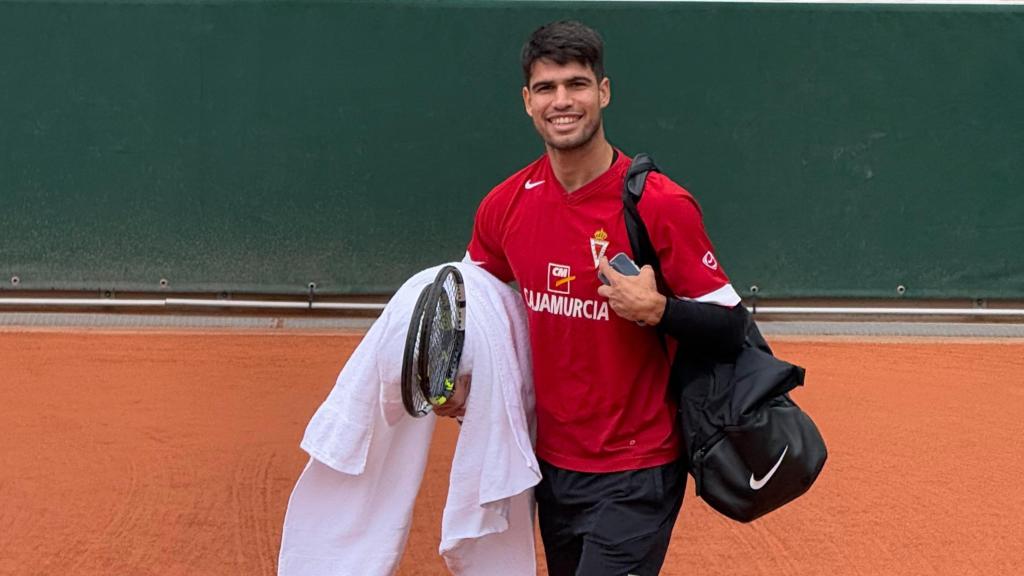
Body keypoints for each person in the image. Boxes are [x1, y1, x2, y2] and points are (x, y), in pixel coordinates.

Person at [449, 20, 747, 575]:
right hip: (549, 467)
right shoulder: (505, 205)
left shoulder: (660, 203)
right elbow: (472, 304)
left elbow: (732, 326)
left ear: (603, 92)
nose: (562, 101)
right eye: (546, 88)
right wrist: (459, 381)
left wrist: (658, 310)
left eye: (577, 84)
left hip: (639, 467)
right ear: (527, 102)